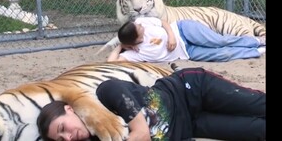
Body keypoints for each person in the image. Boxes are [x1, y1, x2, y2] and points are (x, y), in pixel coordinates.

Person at [37, 67, 266, 141]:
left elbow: (115, 88)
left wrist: (139, 126)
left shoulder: (102, 98)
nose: (68, 137)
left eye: (62, 128)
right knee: (256, 131)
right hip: (193, 126)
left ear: (69, 109)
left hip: (190, 90)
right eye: (61, 139)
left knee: (258, 105)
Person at [107, 17, 266, 62]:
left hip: (183, 30)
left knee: (219, 42)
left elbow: (164, 23)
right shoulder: (135, 54)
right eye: (138, 28)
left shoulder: (142, 21)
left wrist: (171, 35)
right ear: (135, 39)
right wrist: (121, 46)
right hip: (186, 52)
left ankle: (257, 41)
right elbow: (110, 63)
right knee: (222, 55)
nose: (140, 24)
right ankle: (257, 51)